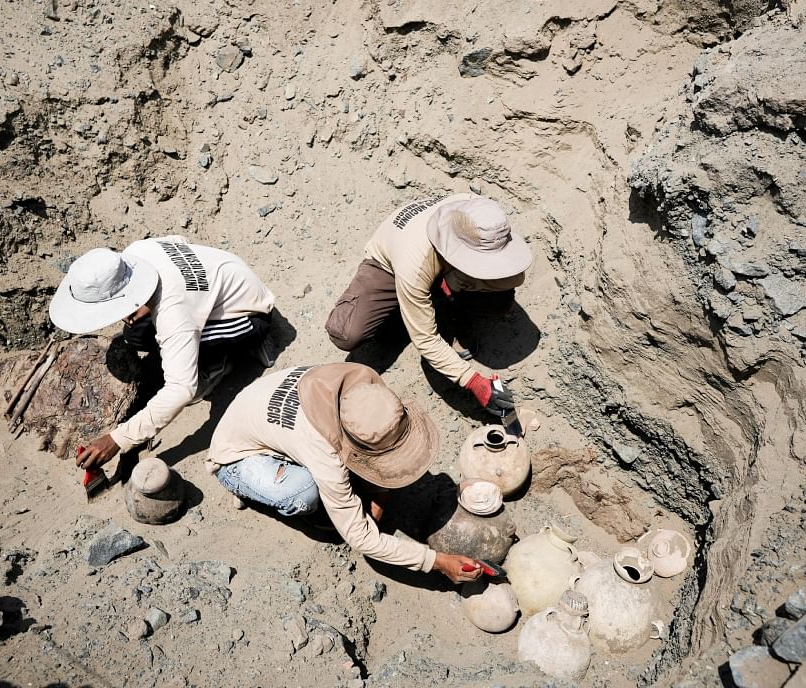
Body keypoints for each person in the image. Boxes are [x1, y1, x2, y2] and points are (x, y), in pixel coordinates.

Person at [207, 362, 485, 583]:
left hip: (258, 411)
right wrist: (435, 561)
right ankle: (243, 487)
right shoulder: (324, 454)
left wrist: (380, 492)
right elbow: (361, 538)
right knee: (303, 493)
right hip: (235, 456)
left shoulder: (363, 386)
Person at [48, 235, 276, 470]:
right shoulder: (137, 251)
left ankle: (220, 361)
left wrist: (118, 439)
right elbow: (180, 241)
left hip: (250, 315)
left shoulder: (174, 313)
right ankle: (202, 342)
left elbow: (180, 389)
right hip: (225, 277)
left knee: (183, 357)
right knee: (134, 333)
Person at [326, 194, 532, 417]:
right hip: (390, 265)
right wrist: (473, 381)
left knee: (499, 299)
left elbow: (513, 278)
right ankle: (404, 311)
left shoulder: (482, 219)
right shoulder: (413, 261)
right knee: (347, 332)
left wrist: (459, 280)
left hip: (435, 261)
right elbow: (426, 339)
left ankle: (433, 300)